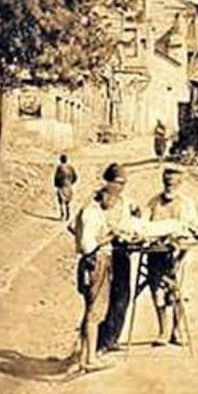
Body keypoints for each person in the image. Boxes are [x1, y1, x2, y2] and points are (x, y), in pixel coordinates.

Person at [146, 167, 198, 346]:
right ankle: (163, 330)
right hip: (156, 254)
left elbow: (196, 230)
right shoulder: (154, 202)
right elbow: (145, 225)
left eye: (172, 182)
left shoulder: (187, 204)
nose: (169, 185)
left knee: (179, 293)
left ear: (180, 183)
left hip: (180, 255)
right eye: (166, 182)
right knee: (157, 292)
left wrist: (183, 242)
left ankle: (177, 331)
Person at [72, 186, 118, 372]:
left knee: (90, 308)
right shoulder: (92, 213)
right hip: (97, 260)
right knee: (96, 311)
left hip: (91, 261)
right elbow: (87, 245)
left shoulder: (89, 210)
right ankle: (90, 359)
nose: (113, 203)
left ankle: (84, 355)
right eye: (112, 199)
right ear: (104, 195)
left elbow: (72, 227)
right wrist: (109, 237)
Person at [96, 163, 140, 354]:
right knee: (102, 299)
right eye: (117, 182)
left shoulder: (126, 202)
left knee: (122, 296)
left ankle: (112, 338)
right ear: (107, 181)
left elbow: (135, 220)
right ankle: (97, 342)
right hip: (103, 254)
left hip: (121, 252)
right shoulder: (96, 202)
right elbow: (77, 227)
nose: (120, 187)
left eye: (123, 183)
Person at [53, 154, 78, 222]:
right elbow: (75, 177)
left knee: (61, 201)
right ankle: (67, 215)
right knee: (67, 202)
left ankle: (62, 215)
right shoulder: (70, 168)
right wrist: (70, 183)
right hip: (68, 186)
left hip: (61, 186)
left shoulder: (59, 168)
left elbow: (56, 177)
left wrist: (56, 185)